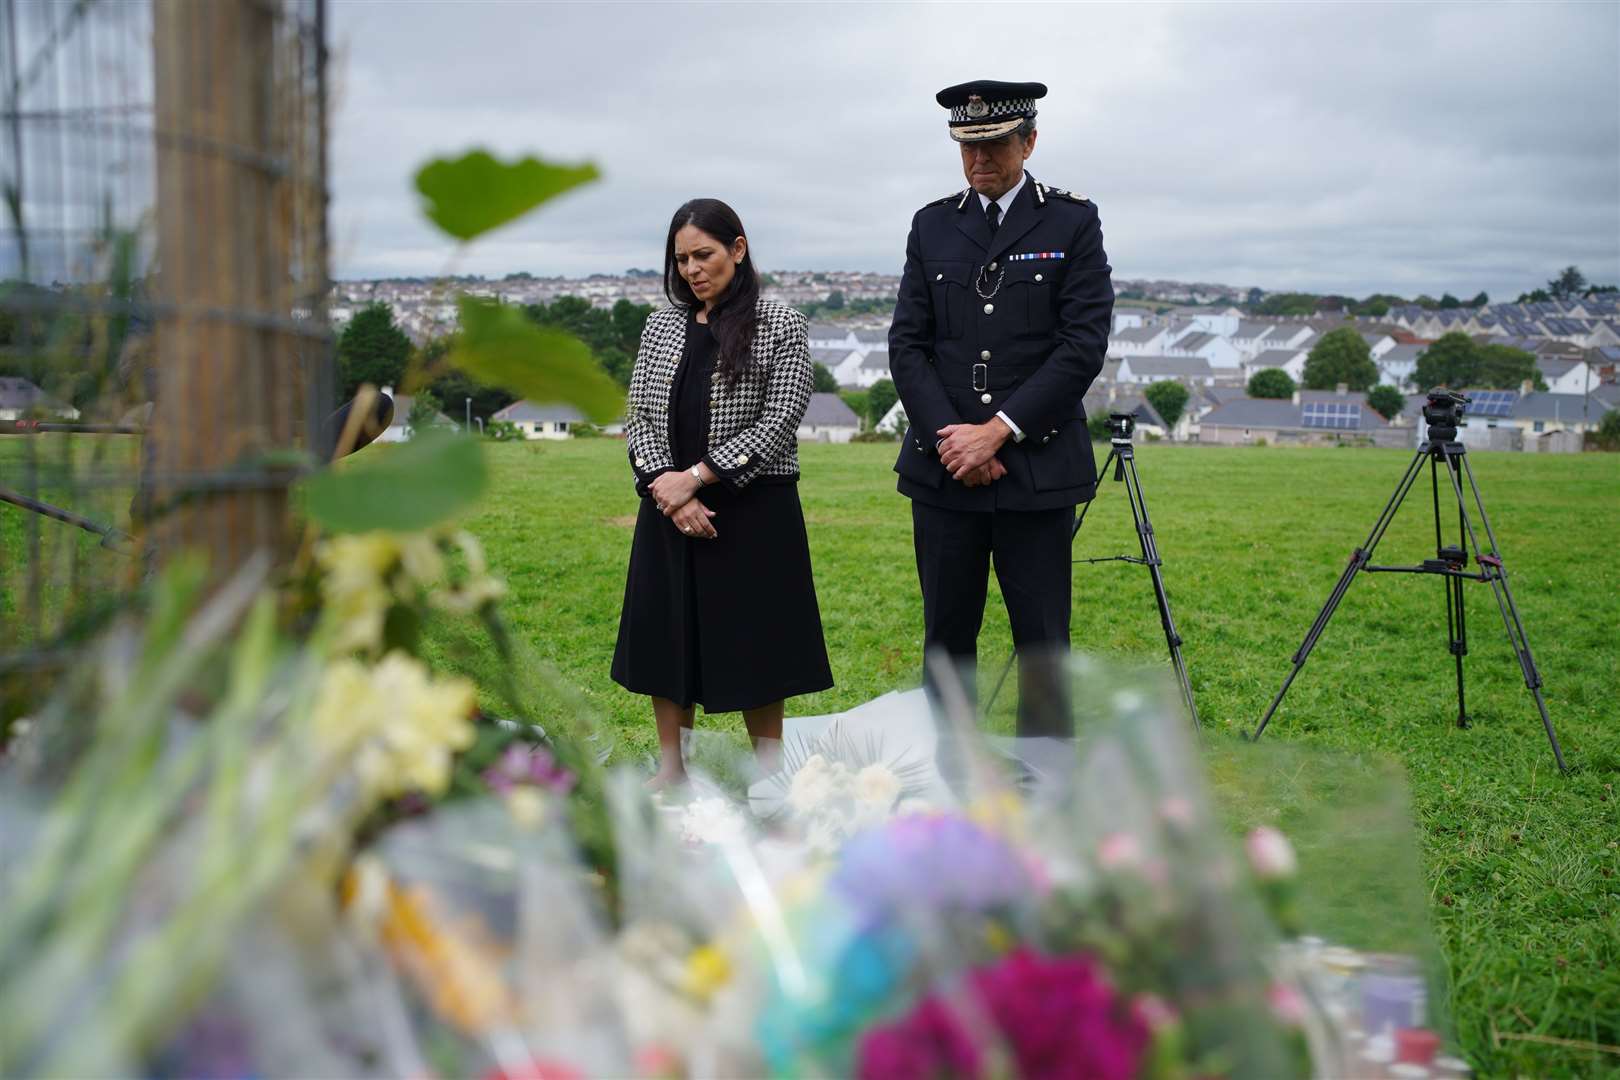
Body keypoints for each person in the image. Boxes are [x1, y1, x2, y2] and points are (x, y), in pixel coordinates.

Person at [888, 80, 1114, 737]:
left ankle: (1044, 795)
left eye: (994, 145)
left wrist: (997, 433)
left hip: (1034, 471)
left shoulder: (1072, 222)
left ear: (1029, 142)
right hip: (945, 472)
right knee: (946, 643)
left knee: (1042, 645)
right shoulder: (932, 225)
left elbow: (1081, 346)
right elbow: (908, 346)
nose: (979, 159)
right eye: (968, 147)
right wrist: (954, 441)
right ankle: (947, 781)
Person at [612, 198, 834, 788]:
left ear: (738, 249)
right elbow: (639, 416)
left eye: (704, 254)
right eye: (681, 259)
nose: (691, 269)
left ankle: (766, 776)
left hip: (754, 507)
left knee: (756, 646)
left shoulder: (780, 322)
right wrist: (670, 489)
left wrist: (701, 477)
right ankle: (672, 770)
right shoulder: (661, 326)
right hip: (669, 509)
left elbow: (781, 417)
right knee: (667, 641)